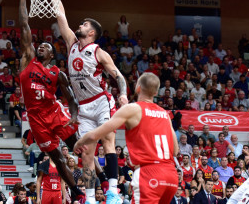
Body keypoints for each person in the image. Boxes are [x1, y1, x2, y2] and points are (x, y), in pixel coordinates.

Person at [53, 0, 131, 201]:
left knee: (108, 141)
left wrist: (124, 95)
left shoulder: (98, 51)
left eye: (84, 24)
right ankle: (88, 196)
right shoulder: (71, 43)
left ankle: (113, 191)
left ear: (92, 33)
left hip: (101, 101)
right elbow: (60, 15)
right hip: (82, 106)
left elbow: (119, 76)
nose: (80, 25)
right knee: (86, 153)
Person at [18, 0, 85, 200]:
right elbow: (24, 25)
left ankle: (95, 179)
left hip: (54, 112)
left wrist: (73, 116)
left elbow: (71, 99)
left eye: (46, 46)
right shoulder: (28, 60)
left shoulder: (58, 73)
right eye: (40, 45)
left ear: (52, 55)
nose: (41, 47)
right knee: (58, 158)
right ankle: (76, 192)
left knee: (79, 148)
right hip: (36, 119)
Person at [74, 72, 179, 204]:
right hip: (171, 176)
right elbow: (175, 150)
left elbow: (96, 134)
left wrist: (79, 142)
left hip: (149, 173)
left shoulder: (133, 109)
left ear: (138, 87)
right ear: (156, 92)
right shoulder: (164, 114)